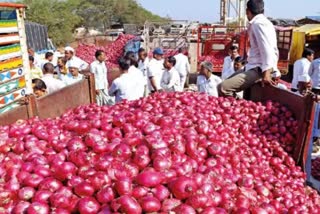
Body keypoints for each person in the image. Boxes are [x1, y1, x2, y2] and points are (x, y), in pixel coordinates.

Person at [218, 0, 279, 97]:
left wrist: (266, 72)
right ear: (263, 11)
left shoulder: (259, 24)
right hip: (252, 66)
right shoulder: (261, 23)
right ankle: (240, 106)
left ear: (247, 11)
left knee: (223, 88)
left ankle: (235, 110)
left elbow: (267, 49)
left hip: (259, 69)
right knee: (225, 83)